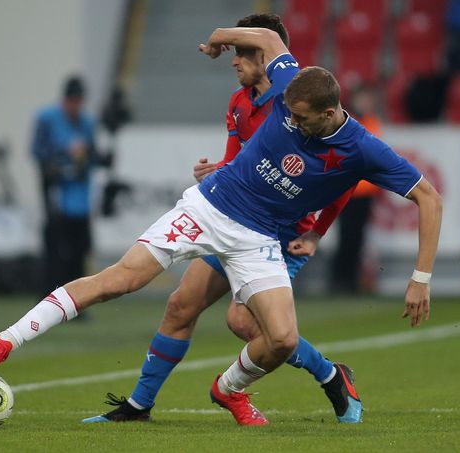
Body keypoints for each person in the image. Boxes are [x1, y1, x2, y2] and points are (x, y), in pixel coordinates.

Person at [0, 26, 442, 427]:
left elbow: (428, 197)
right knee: (124, 281)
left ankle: (227, 388)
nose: (291, 123)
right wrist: (217, 39)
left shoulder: (363, 147)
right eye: (288, 113)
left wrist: (420, 278)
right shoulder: (287, 81)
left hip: (260, 239)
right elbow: (268, 37)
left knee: (281, 340)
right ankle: (5, 342)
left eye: (300, 118)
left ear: (328, 111)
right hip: (208, 210)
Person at [81, 14, 360, 426]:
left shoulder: (301, 104)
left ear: (267, 56)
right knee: (180, 305)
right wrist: (218, 171)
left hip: (281, 235)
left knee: (244, 322)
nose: (234, 60)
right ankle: (138, 407)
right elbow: (237, 165)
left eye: (243, 52)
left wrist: (318, 232)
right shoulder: (238, 103)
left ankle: (329, 376)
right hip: (234, 221)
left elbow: (346, 177)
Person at [31, 75, 100, 297]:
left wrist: (85, 156)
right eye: (72, 101)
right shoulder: (46, 118)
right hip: (56, 194)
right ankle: (49, 296)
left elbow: (92, 154)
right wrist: (62, 158)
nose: (75, 106)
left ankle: (77, 299)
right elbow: (38, 153)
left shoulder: (87, 122)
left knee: (79, 250)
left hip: (79, 197)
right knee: (56, 250)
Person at [330, 85, 383, 294]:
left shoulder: (371, 121)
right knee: (347, 236)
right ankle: (339, 279)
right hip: (348, 190)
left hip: (366, 192)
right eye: (364, 98)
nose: (367, 103)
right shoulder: (347, 121)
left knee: (357, 237)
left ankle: (350, 279)